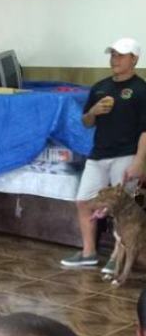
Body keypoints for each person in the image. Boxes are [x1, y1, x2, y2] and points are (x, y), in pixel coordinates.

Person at [61, 37, 146, 271]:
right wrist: (94, 112)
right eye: (113, 55)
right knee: (84, 201)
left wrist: (140, 161)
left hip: (126, 155)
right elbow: (86, 122)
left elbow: (145, 131)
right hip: (98, 154)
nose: (114, 59)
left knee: (124, 208)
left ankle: (117, 259)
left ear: (134, 59)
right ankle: (88, 253)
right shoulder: (100, 87)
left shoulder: (142, 90)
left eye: (120, 55)